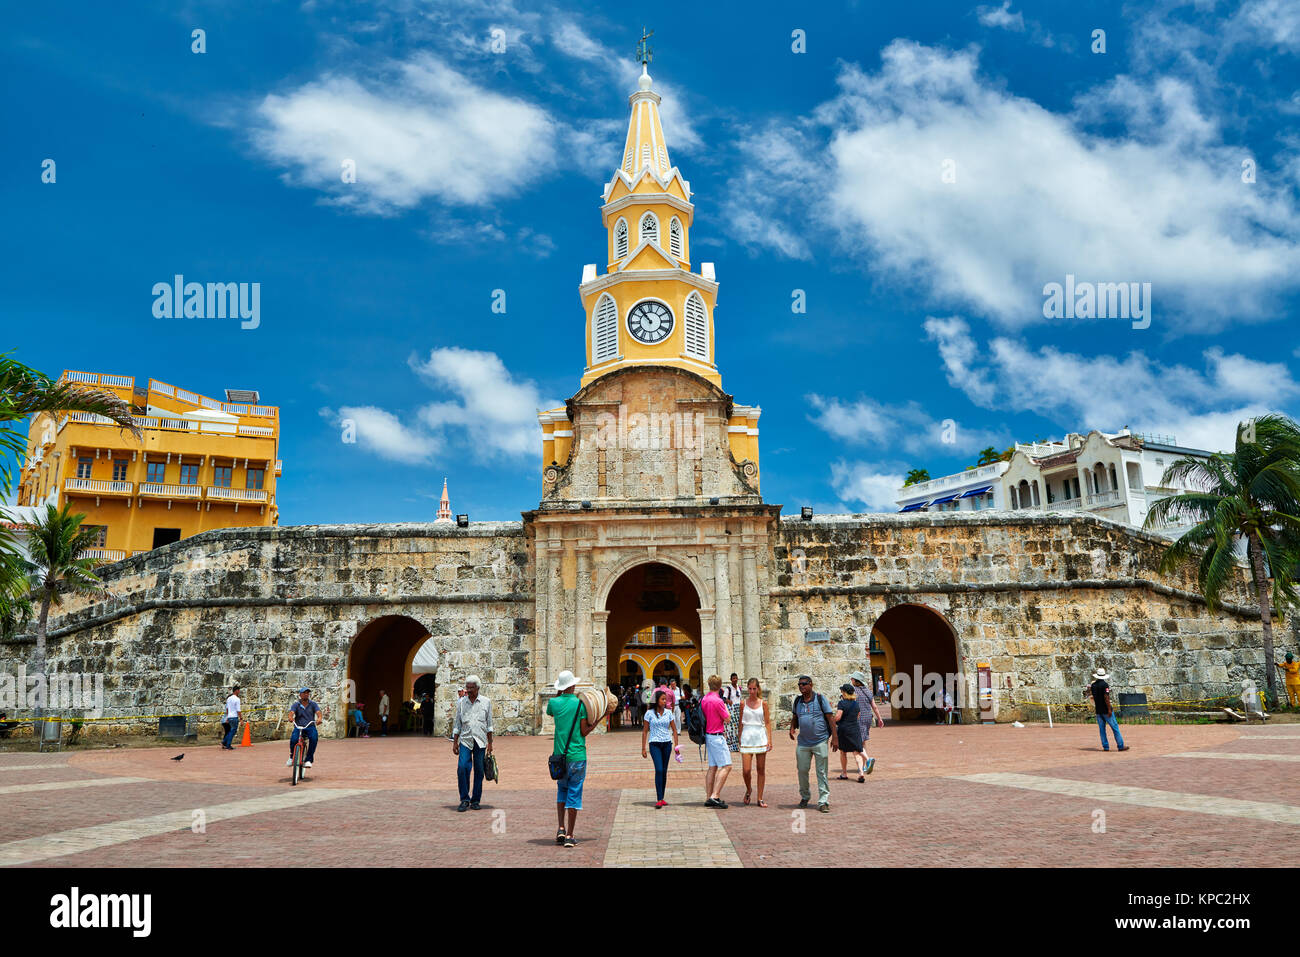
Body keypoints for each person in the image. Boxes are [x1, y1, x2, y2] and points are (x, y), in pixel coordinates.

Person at [548, 670, 599, 848]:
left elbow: (552, 713)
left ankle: (561, 828)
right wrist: (595, 724)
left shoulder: (553, 703)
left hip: (559, 757)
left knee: (562, 790)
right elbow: (584, 731)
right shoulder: (580, 705)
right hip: (577, 756)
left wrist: (559, 692)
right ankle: (570, 835)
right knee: (574, 793)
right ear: (572, 685)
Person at [789, 675, 837, 812]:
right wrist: (792, 728)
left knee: (821, 772)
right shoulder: (798, 701)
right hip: (803, 743)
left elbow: (830, 718)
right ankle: (805, 796)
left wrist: (835, 737)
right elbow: (794, 717)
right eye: (799, 685)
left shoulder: (820, 699)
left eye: (804, 684)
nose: (801, 687)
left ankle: (823, 801)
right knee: (802, 770)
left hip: (820, 741)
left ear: (811, 684)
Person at [452, 675, 494, 811]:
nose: (468, 690)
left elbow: (489, 725)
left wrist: (490, 743)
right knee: (462, 768)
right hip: (465, 739)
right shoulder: (461, 703)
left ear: (477, 688)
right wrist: (455, 742)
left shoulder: (486, 702)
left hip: (481, 741)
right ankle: (464, 799)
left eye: (471, 688)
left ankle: (475, 800)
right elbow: (457, 723)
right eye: (467, 687)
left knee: (479, 771)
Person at [641, 689, 680, 807]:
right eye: (662, 699)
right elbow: (645, 731)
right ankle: (658, 798)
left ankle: (662, 797)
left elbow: (674, 729)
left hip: (667, 744)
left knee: (664, 771)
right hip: (654, 744)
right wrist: (643, 748)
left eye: (666, 700)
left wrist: (676, 747)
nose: (665, 702)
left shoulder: (668, 713)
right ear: (657, 700)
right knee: (658, 769)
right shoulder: (649, 713)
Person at [739, 677, 772, 807]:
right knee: (746, 770)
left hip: (759, 735)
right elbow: (740, 722)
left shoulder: (763, 703)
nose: (752, 691)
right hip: (747, 736)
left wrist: (769, 740)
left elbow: (768, 723)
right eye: (750, 688)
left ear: (758, 689)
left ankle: (760, 797)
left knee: (761, 768)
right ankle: (748, 789)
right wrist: (739, 737)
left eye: (754, 688)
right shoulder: (743, 703)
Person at [701, 675, 732, 808]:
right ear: (720, 686)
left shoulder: (704, 699)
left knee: (712, 767)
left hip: (708, 734)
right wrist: (725, 705)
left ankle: (709, 796)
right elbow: (727, 718)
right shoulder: (718, 701)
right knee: (727, 766)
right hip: (717, 735)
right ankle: (715, 795)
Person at [1087, 667, 1128, 752]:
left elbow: (1092, 695)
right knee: (1115, 728)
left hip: (1098, 710)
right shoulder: (1105, 685)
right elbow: (1106, 697)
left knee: (1102, 729)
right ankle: (1120, 745)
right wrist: (1109, 709)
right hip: (1105, 710)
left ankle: (1105, 746)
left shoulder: (1093, 685)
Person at [849, 671, 882, 775]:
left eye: (852, 679)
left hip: (858, 718)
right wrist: (879, 719)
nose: (851, 680)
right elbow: (874, 706)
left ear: (855, 680)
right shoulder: (867, 691)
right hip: (868, 717)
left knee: (856, 742)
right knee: (862, 741)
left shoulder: (853, 691)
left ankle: (867, 761)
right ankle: (864, 765)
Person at [835, 684, 866, 780]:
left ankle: (844, 773)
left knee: (843, 752)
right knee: (856, 752)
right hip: (855, 729)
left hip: (844, 730)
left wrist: (832, 720)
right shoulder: (856, 703)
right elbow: (858, 716)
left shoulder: (842, 703)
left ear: (844, 692)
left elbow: (838, 716)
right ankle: (861, 773)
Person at [286, 687, 322, 769]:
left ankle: (308, 760)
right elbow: (291, 713)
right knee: (294, 739)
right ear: (300, 695)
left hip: (310, 726)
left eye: (307, 693)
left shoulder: (313, 704)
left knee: (314, 738)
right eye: (304, 693)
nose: (306, 694)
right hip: (299, 727)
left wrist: (319, 718)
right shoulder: (296, 704)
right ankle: (292, 757)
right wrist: (290, 717)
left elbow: (318, 712)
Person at [221, 684, 241, 750]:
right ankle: (227, 744)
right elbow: (238, 710)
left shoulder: (229, 698)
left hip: (229, 716)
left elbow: (227, 708)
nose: (239, 692)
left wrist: (227, 716)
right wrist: (241, 718)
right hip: (234, 716)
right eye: (239, 690)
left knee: (231, 731)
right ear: (236, 691)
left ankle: (224, 742)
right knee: (233, 731)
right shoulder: (237, 699)